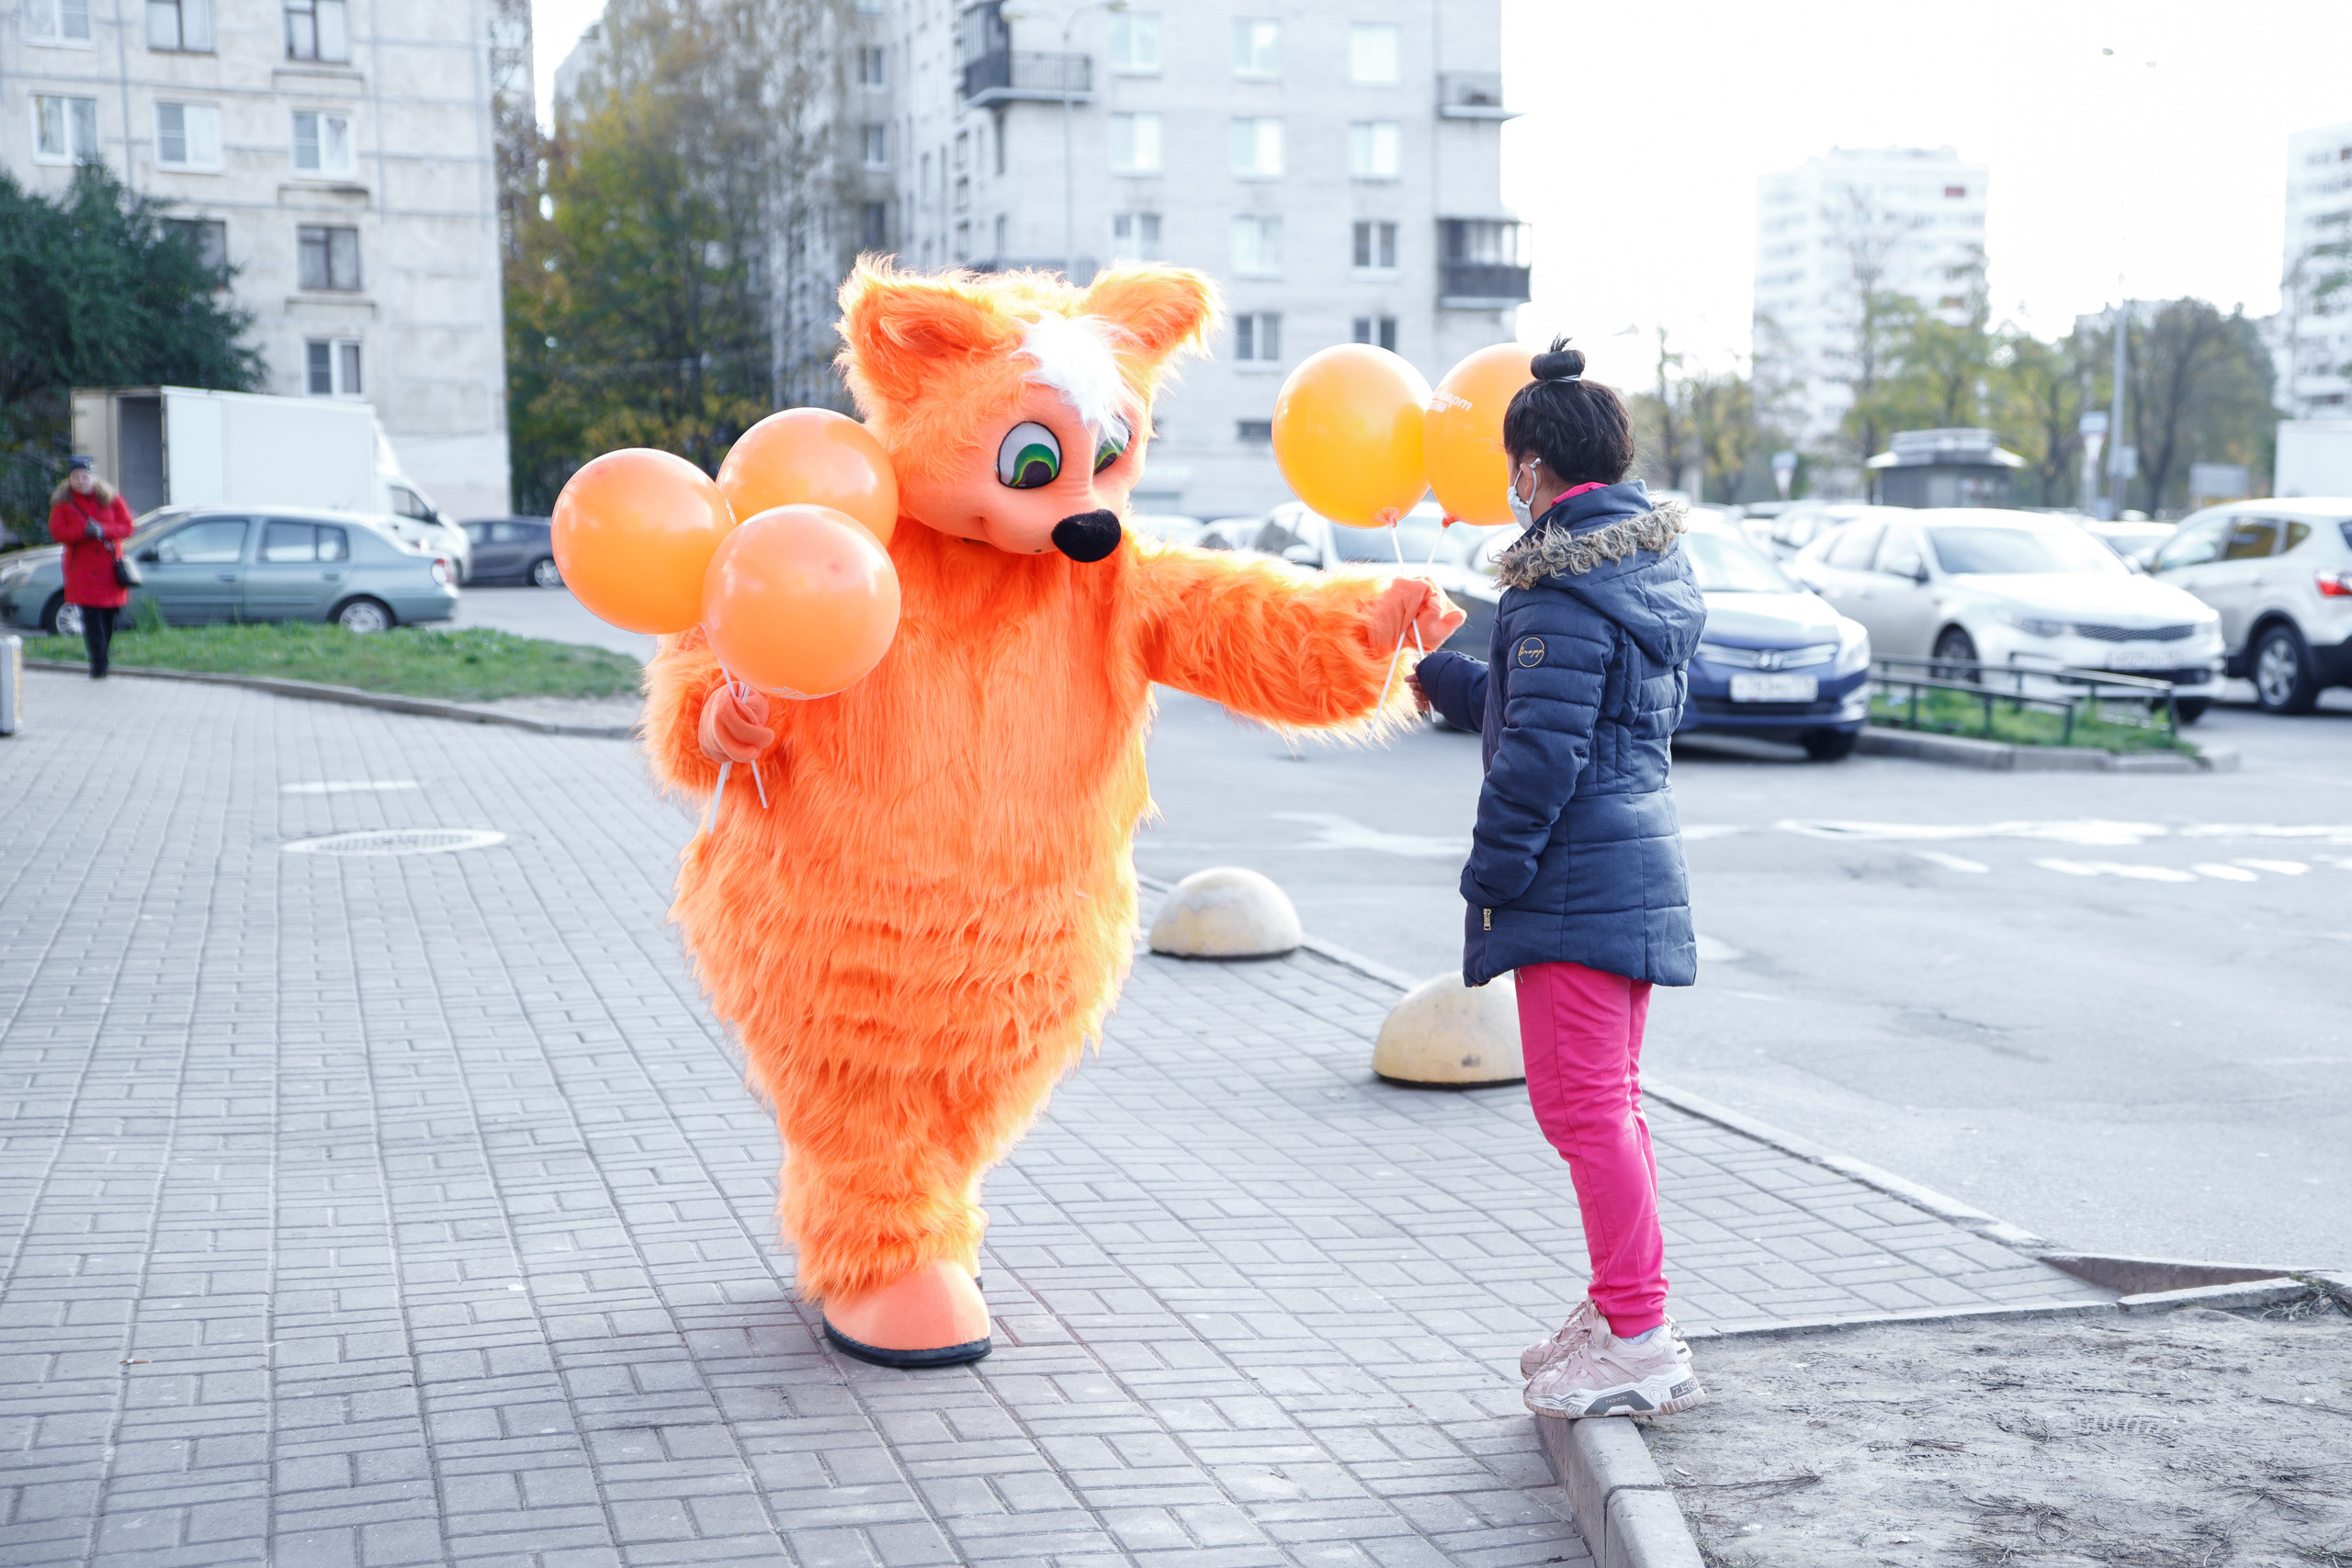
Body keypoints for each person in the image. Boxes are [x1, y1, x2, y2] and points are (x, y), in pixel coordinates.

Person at [1409, 340, 1709, 1419]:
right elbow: (1542, 700)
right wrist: (1434, 665)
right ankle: (1625, 1308)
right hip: (1628, 858)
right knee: (1605, 1109)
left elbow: (1541, 753)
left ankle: (1638, 1334)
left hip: (1577, 874)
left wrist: (1487, 878)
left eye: (1509, 466)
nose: (1507, 486)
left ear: (1531, 466)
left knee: (1585, 1113)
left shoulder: (1553, 584)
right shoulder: (1632, 572)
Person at [48, 456, 137, 679]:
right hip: (83, 570)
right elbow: (57, 532)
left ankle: (103, 658)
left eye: (85, 476)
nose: (81, 480)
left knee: (109, 617)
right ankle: (98, 664)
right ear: (70, 479)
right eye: (76, 476)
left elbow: (127, 527)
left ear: (93, 477)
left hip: (109, 569)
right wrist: (83, 533)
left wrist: (104, 530)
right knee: (91, 617)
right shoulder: (63, 502)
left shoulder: (111, 498)